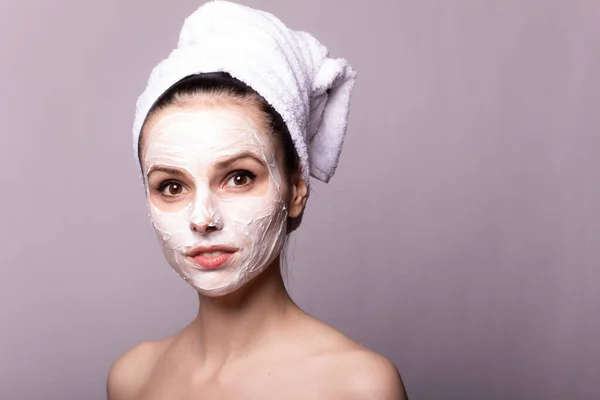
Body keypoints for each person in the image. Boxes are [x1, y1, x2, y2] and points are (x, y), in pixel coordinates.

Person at [108, 1, 408, 398]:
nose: (202, 218)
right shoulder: (133, 379)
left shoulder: (358, 385)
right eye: (172, 186)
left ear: (296, 188)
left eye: (238, 177)